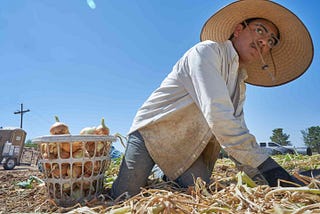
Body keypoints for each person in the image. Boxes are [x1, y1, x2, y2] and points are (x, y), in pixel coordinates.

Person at [111, 0, 314, 198]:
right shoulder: (207, 52)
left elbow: (236, 128)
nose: (264, 42)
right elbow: (219, 116)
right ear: (238, 30)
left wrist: (262, 174)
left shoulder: (239, 83)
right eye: (260, 30)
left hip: (187, 146)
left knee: (201, 189)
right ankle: (154, 167)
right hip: (155, 132)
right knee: (124, 195)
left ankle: (162, 173)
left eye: (271, 41)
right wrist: (268, 166)